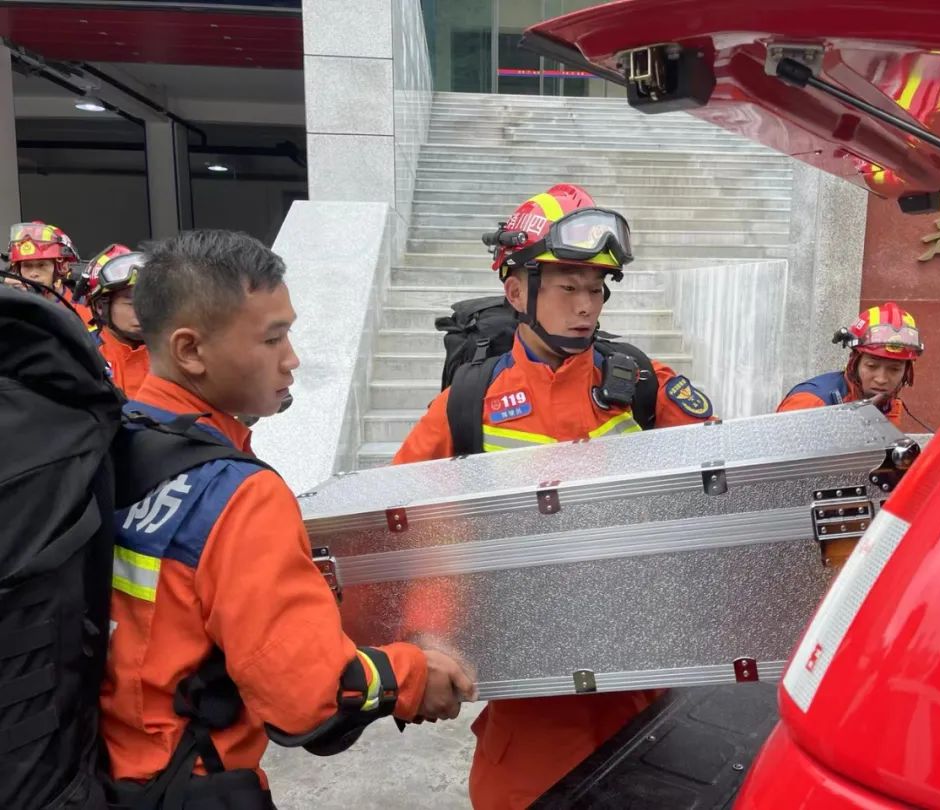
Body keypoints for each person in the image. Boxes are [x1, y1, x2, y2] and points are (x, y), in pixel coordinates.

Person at [102, 229, 475, 808]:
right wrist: (412, 673)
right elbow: (308, 696)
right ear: (190, 351)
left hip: (102, 772)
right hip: (189, 785)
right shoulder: (238, 495)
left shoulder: (115, 439)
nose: (292, 358)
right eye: (272, 338)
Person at [393, 184, 716, 808]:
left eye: (596, 289)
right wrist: (429, 638)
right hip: (532, 701)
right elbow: (411, 531)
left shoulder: (642, 384)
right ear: (517, 292)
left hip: (642, 684)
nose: (586, 306)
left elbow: (727, 477)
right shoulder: (466, 405)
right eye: (568, 286)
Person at [777, 302, 924, 428]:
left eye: (895, 369)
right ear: (854, 362)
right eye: (872, 366)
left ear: (906, 372)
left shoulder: (888, 404)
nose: (881, 379)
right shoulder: (811, 402)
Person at [84, 245, 151, 396]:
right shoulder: (85, 355)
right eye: (132, 303)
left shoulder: (171, 350)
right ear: (100, 307)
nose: (144, 311)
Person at [4, 221, 89, 320]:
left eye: (42, 265)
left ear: (62, 268)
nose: (33, 274)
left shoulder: (82, 310)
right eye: (27, 266)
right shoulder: (10, 307)